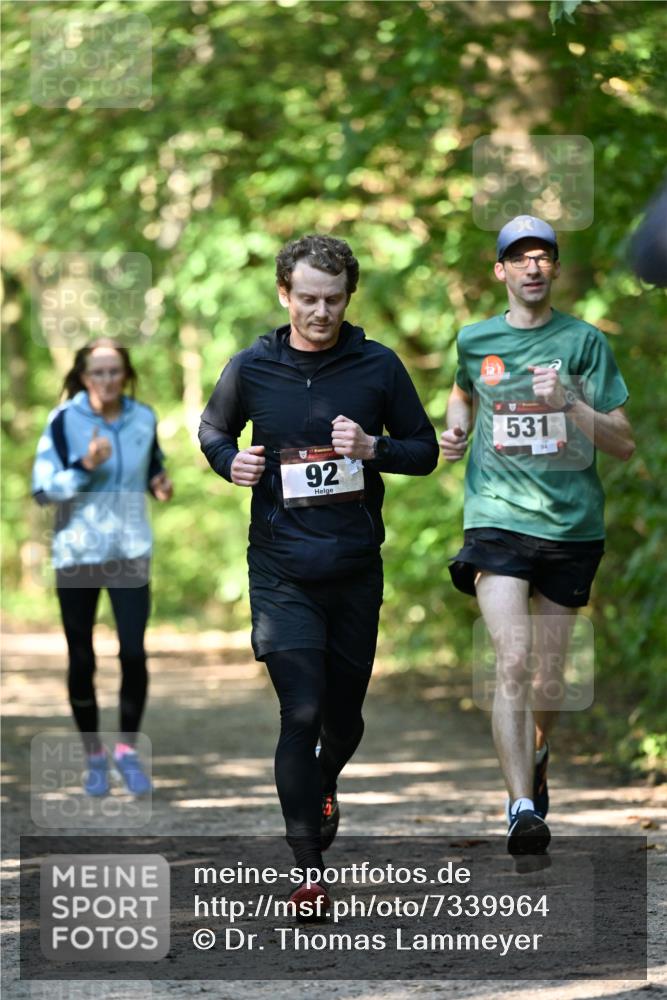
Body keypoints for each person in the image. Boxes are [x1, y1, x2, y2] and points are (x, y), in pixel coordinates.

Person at [199, 234, 438, 915]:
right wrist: (230, 463)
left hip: (353, 569)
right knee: (298, 711)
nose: (319, 312)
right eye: (306, 298)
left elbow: (422, 453)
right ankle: (307, 869)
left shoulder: (377, 367)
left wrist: (374, 448)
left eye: (332, 300)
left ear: (347, 298)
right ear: (284, 295)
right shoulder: (252, 366)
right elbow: (214, 431)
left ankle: (323, 777)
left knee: (344, 719)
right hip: (281, 569)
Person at [440, 216, 635, 857]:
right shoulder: (474, 339)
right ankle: (521, 807)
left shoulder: (583, 343)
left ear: (553, 269)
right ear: (499, 271)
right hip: (495, 517)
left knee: (548, 677)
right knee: (513, 659)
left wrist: (571, 405)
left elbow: (624, 442)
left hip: (570, 526)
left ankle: (539, 748)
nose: (531, 267)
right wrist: (456, 427)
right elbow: (462, 392)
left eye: (542, 258)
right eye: (518, 258)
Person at [32, 337, 173, 797]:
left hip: (131, 548)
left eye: (115, 371)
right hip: (77, 552)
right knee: (82, 656)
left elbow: (152, 468)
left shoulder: (143, 417)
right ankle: (94, 756)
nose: (107, 380)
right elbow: (42, 490)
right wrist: (84, 466)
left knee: (133, 651)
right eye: (98, 372)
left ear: (126, 374)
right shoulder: (63, 421)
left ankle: (127, 752)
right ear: (83, 375)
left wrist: (160, 483)